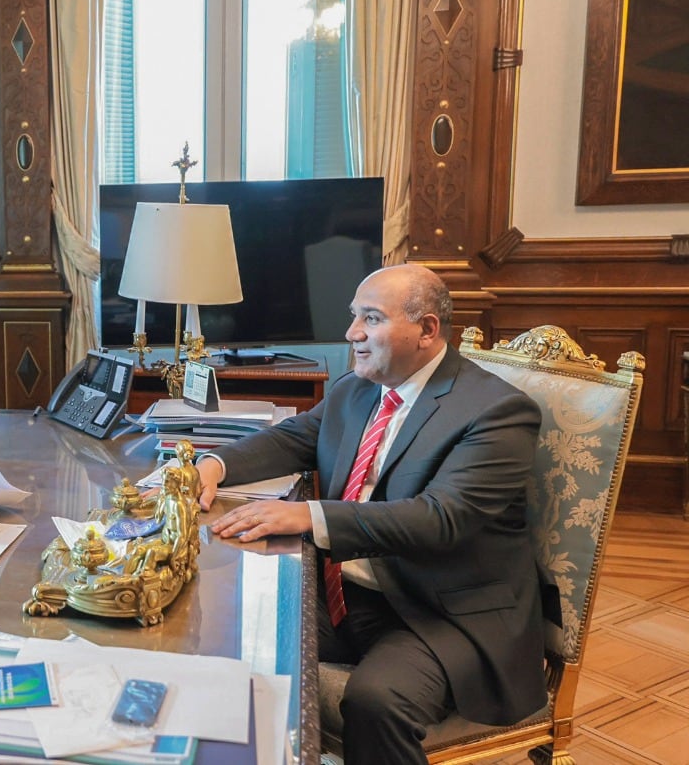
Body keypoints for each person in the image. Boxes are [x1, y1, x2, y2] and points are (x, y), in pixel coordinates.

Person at [199, 264, 552, 765]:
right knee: (231, 623)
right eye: (353, 316)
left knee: (374, 701)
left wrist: (310, 516)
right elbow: (293, 437)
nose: (352, 333)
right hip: (350, 590)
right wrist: (212, 465)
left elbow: (442, 518)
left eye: (372, 318)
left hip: (442, 610)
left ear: (427, 330)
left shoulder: (496, 411)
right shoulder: (357, 387)